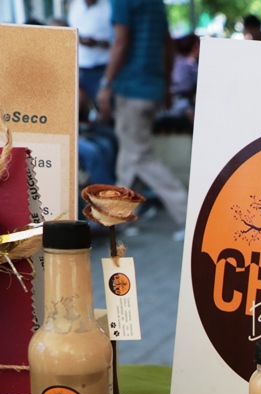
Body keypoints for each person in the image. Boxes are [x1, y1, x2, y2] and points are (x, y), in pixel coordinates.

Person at [96, 0, 189, 237]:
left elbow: (121, 41)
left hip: (131, 88)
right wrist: (165, 85)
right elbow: (168, 45)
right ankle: (121, 220)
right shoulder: (156, 4)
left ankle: (188, 214)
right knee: (129, 156)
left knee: (140, 156)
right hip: (152, 88)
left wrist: (106, 83)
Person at [68, 0, 113, 104]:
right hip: (78, 68)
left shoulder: (109, 6)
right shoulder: (76, 5)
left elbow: (118, 42)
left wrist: (97, 43)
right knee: (76, 106)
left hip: (101, 68)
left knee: (104, 105)